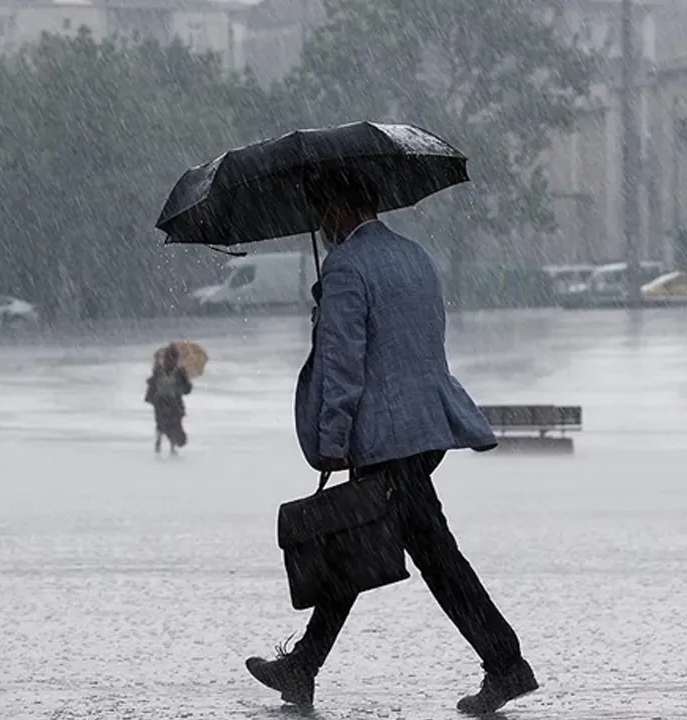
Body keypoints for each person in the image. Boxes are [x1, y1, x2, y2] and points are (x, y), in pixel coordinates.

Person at [244, 170, 536, 715]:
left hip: (385, 438)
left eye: (322, 211)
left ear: (339, 208)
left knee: (430, 555)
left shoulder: (346, 267)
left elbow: (343, 364)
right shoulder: (414, 256)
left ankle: (506, 663)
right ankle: (303, 666)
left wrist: (332, 440)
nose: (321, 223)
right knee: (357, 541)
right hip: (424, 427)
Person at [144, 343, 192, 456]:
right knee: (168, 424)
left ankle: (166, 443)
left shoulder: (172, 371)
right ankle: (167, 445)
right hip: (167, 402)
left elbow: (186, 389)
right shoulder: (170, 371)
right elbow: (187, 389)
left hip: (168, 402)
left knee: (167, 423)